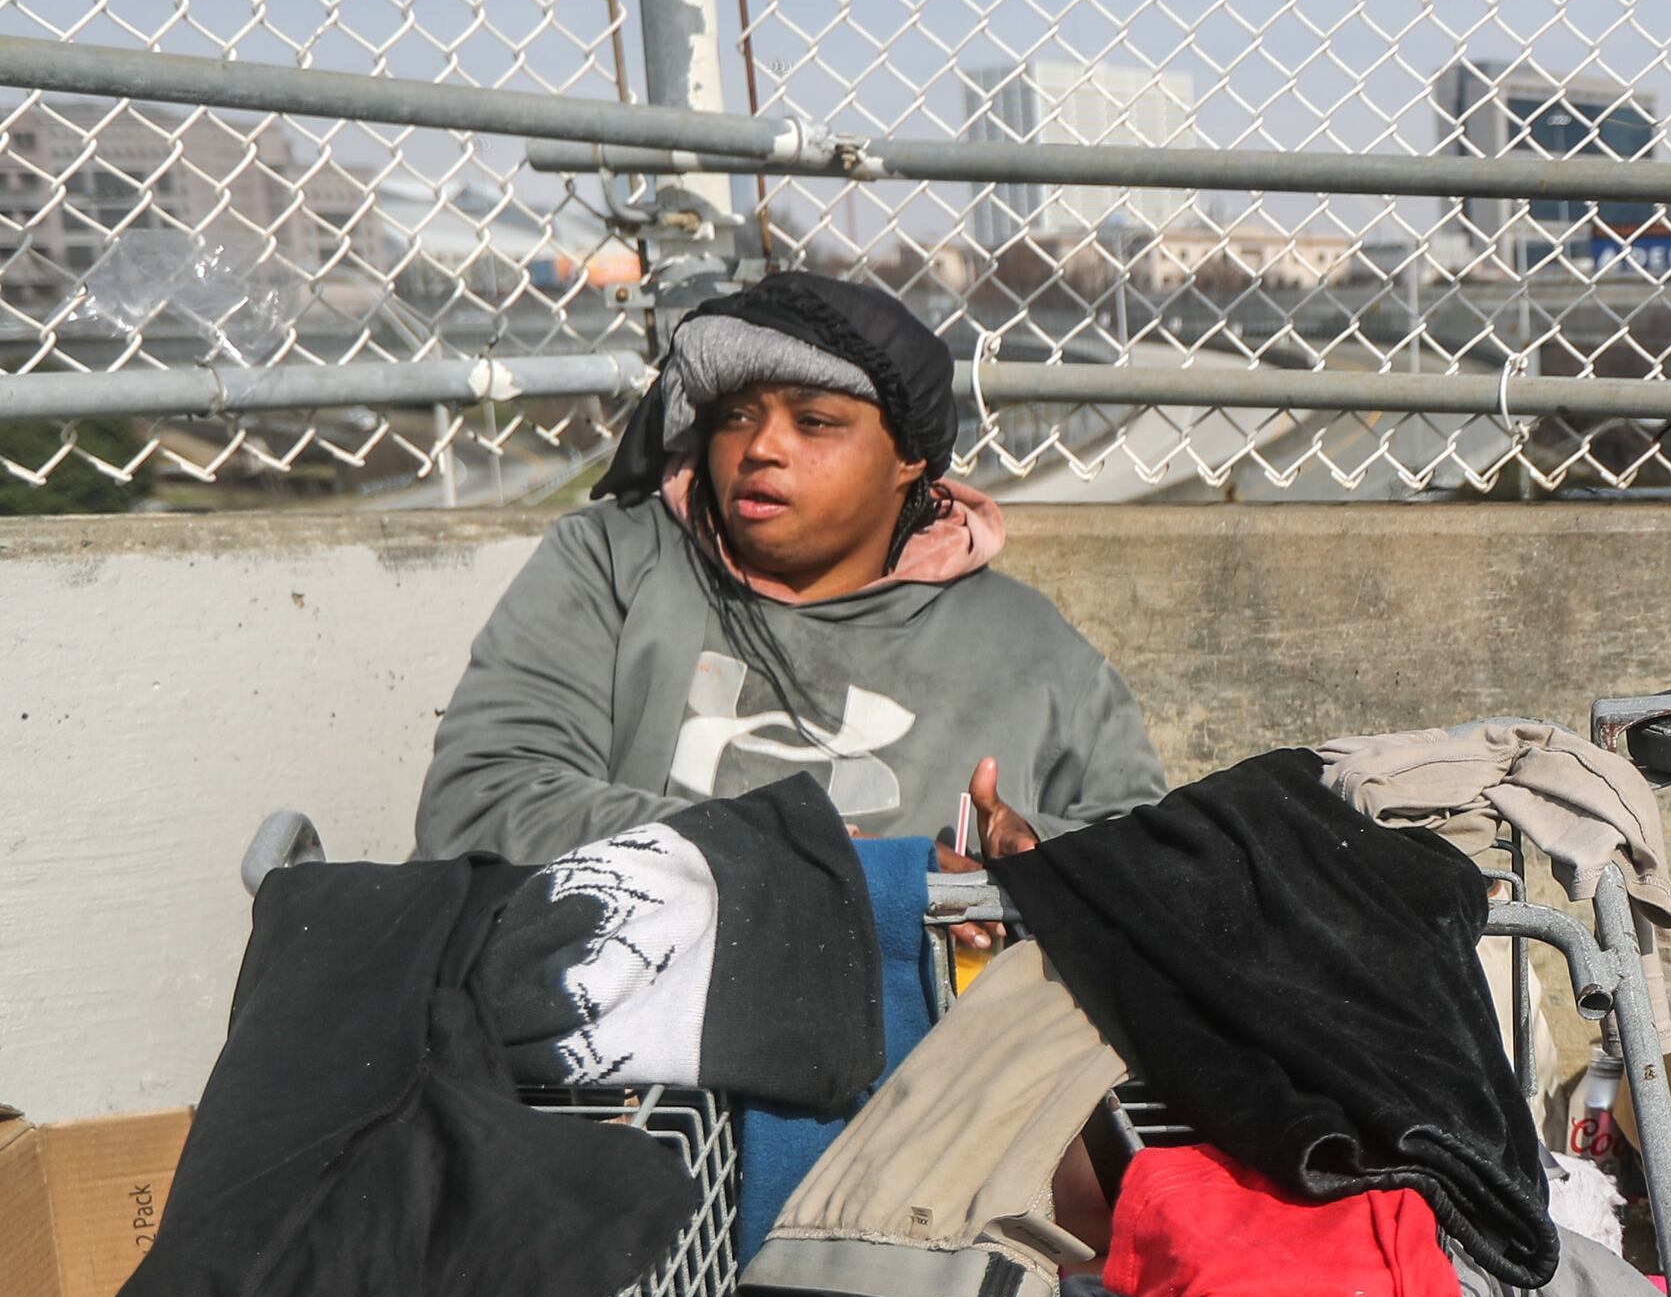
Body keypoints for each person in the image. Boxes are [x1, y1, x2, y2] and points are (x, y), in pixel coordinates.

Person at [415, 272, 1163, 877]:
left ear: (909, 457)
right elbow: (482, 804)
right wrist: (795, 859)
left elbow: (1153, 864)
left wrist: (1040, 860)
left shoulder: (1032, 652)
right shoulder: (613, 564)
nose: (761, 447)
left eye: (814, 422)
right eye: (735, 417)